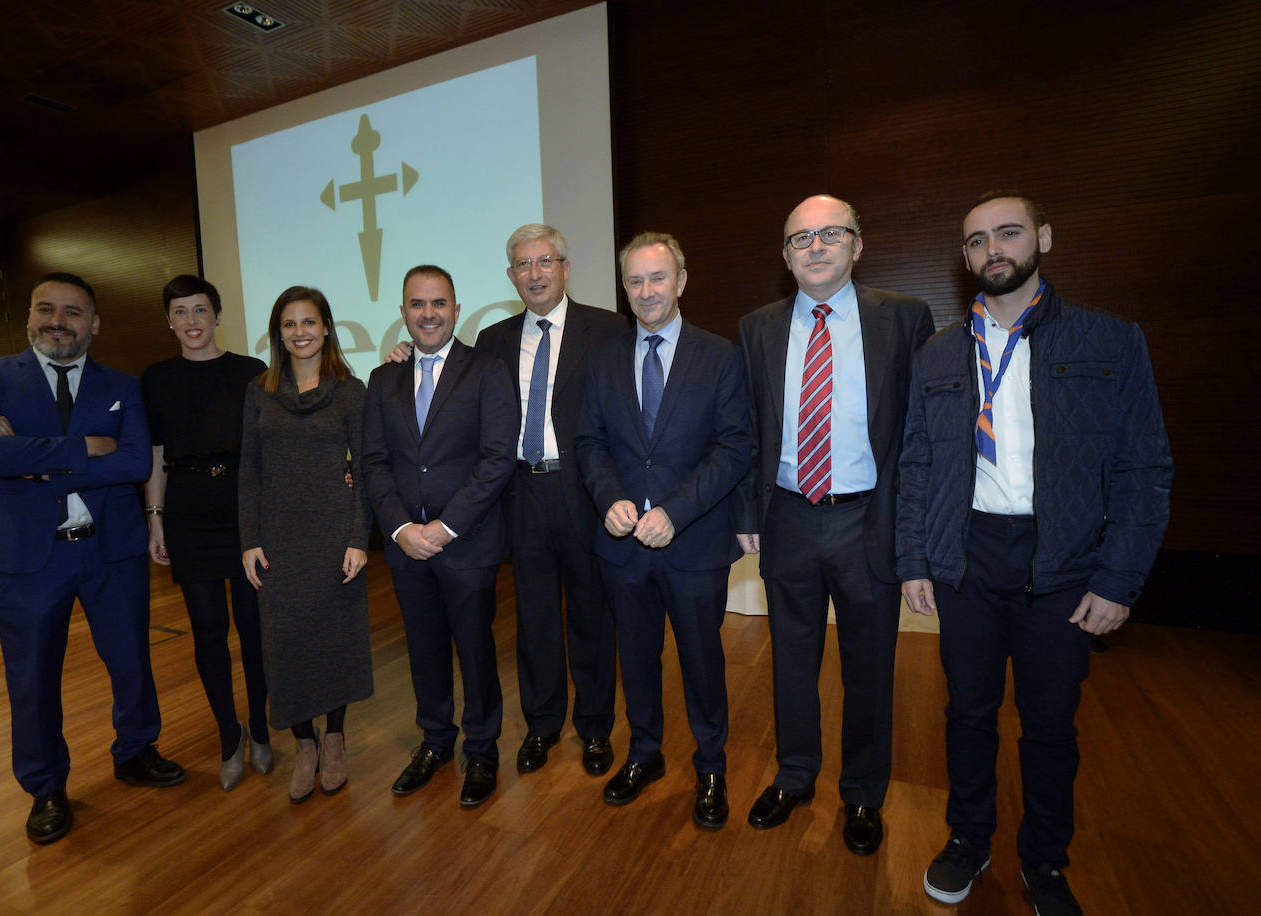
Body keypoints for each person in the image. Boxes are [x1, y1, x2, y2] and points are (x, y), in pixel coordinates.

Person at [898, 192, 1171, 915]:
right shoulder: (939, 353)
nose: (994, 249)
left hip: (1065, 564)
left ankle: (1046, 861)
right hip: (969, 555)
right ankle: (969, 838)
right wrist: (914, 560)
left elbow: (1145, 470)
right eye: (978, 240)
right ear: (964, 259)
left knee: (1051, 724)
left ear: (1043, 237)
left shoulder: (1109, 341)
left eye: (1009, 233)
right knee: (968, 713)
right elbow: (918, 464)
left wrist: (1120, 579)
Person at [733, 195, 934, 854]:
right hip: (788, 516)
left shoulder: (903, 319)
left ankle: (863, 794)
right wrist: (746, 514)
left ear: (856, 243)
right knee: (790, 659)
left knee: (869, 665)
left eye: (829, 235)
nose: (814, 247)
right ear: (785, 256)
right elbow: (745, 432)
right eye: (799, 239)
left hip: (868, 518)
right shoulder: (756, 327)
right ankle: (794, 777)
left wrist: (914, 534)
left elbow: (922, 431)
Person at [387, 225, 625, 775]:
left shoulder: (610, 330)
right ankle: (541, 726)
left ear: (565, 267)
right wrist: (404, 353)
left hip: (585, 488)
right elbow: (441, 369)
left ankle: (594, 727)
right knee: (534, 616)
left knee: (592, 613)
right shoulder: (493, 340)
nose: (535, 274)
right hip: (517, 492)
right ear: (510, 275)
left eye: (545, 262)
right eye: (523, 264)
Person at [0, 271, 184, 845]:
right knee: (32, 677)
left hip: (111, 551)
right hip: (27, 559)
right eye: (46, 309)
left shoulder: (122, 385)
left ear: (95, 324)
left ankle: (135, 749)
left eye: (73, 312)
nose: (58, 321)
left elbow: (134, 462)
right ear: (30, 316)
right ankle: (45, 787)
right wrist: (87, 447)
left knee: (132, 659)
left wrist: (29, 458)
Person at [575, 232, 751, 829]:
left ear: (681, 282)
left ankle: (710, 767)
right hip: (622, 547)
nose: (646, 291)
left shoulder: (721, 356)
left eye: (657, 278)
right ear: (624, 289)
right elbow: (590, 443)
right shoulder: (602, 361)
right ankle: (645, 754)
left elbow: (734, 449)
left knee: (702, 663)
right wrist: (609, 499)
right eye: (634, 281)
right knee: (637, 658)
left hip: (694, 543)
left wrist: (675, 511)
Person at [360, 265, 517, 809]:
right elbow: (374, 462)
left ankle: (482, 748)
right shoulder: (383, 381)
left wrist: (445, 528)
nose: (428, 313)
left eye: (439, 303)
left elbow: (499, 458)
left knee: (474, 649)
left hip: (466, 542)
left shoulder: (487, 369)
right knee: (423, 650)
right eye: (417, 304)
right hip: (406, 549)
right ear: (403, 311)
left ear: (455, 308)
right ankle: (435, 741)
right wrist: (402, 529)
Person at [239, 286, 372, 804]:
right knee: (285, 644)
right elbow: (249, 469)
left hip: (333, 535)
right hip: (276, 541)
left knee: (334, 637)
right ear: (278, 333)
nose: (300, 332)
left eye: (309, 322)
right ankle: (304, 745)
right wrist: (249, 539)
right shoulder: (258, 391)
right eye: (289, 324)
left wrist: (359, 538)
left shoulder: (349, 391)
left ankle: (334, 737)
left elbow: (363, 470)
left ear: (326, 328)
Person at [142, 275, 271, 791]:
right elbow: (154, 453)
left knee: (254, 630)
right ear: (168, 320)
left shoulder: (251, 372)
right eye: (180, 312)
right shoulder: (155, 378)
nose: (191, 321)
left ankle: (261, 728)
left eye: (200, 310)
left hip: (244, 509)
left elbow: (266, 451)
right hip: (188, 512)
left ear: (217, 316)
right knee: (208, 633)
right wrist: (155, 517)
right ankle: (227, 736)